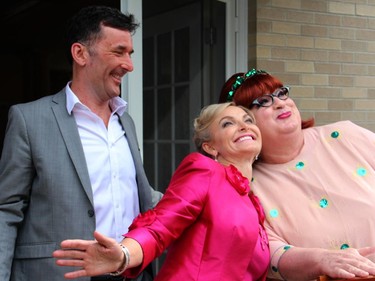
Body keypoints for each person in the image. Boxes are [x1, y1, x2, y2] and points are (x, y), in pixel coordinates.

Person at [0, 5, 162, 281]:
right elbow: (6, 209)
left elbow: (140, 193)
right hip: (60, 275)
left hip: (131, 273)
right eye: (118, 52)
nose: (129, 65)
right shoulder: (29, 119)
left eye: (130, 54)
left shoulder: (126, 121)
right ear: (80, 53)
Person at [53, 102, 269, 281]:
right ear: (210, 147)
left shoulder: (252, 202)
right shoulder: (205, 171)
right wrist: (124, 256)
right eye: (228, 123)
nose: (244, 126)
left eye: (248, 120)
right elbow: (161, 225)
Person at [218, 69, 375, 281]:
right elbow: (270, 256)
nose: (281, 103)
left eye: (282, 93)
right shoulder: (245, 186)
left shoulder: (346, 135)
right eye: (263, 101)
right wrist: (322, 260)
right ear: (243, 123)